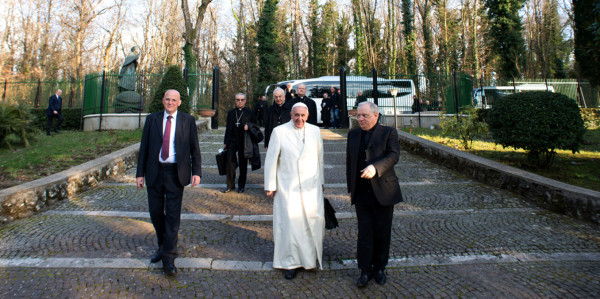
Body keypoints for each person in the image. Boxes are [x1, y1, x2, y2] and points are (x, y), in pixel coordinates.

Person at [136, 89, 202, 276]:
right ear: (163, 100)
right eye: (167, 99)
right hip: (154, 172)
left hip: (176, 173)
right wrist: (139, 174)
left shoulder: (187, 120)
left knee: (173, 216)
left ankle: (169, 258)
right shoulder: (152, 119)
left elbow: (194, 149)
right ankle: (163, 246)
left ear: (179, 102)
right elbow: (144, 148)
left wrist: (196, 172)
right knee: (156, 213)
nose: (170, 103)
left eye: (174, 100)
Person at [264, 102, 325, 280]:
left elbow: (320, 158)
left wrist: (321, 181)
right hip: (287, 186)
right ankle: (289, 263)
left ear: (308, 116)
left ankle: (308, 260)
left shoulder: (315, 131)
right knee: (289, 226)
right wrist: (270, 185)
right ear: (291, 115)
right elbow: (271, 159)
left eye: (302, 116)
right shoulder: (279, 132)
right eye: (296, 115)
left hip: (311, 187)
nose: (299, 119)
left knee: (309, 224)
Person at [346, 101, 402, 287]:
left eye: (364, 115)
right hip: (361, 193)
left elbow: (394, 156)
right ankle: (364, 270)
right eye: (358, 115)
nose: (360, 119)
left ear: (375, 115)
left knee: (382, 232)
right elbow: (350, 162)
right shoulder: (353, 134)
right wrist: (350, 189)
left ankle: (379, 268)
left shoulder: (389, 133)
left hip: (383, 190)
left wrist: (375, 168)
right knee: (364, 233)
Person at [223, 93, 256, 193]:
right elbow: (228, 128)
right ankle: (230, 185)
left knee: (243, 165)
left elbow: (255, 126)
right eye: (238, 100)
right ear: (235, 101)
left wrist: (249, 126)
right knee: (230, 163)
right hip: (232, 141)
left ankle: (241, 186)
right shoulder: (231, 113)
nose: (240, 101)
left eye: (242, 100)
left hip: (244, 141)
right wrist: (225, 142)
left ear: (245, 101)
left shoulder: (250, 112)